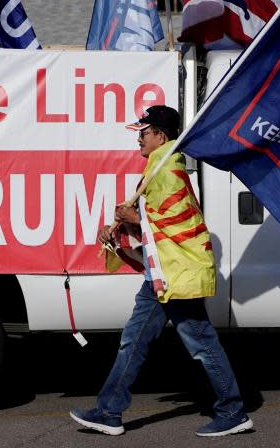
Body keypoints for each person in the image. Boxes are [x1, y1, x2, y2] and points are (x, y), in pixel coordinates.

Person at [70, 105, 253, 438]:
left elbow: (178, 224)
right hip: (163, 274)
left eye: (144, 132)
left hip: (176, 275)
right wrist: (119, 230)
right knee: (134, 342)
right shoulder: (159, 167)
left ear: (160, 135)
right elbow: (158, 228)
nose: (138, 138)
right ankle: (109, 411)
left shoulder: (167, 170)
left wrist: (132, 218)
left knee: (201, 344)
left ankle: (233, 411)